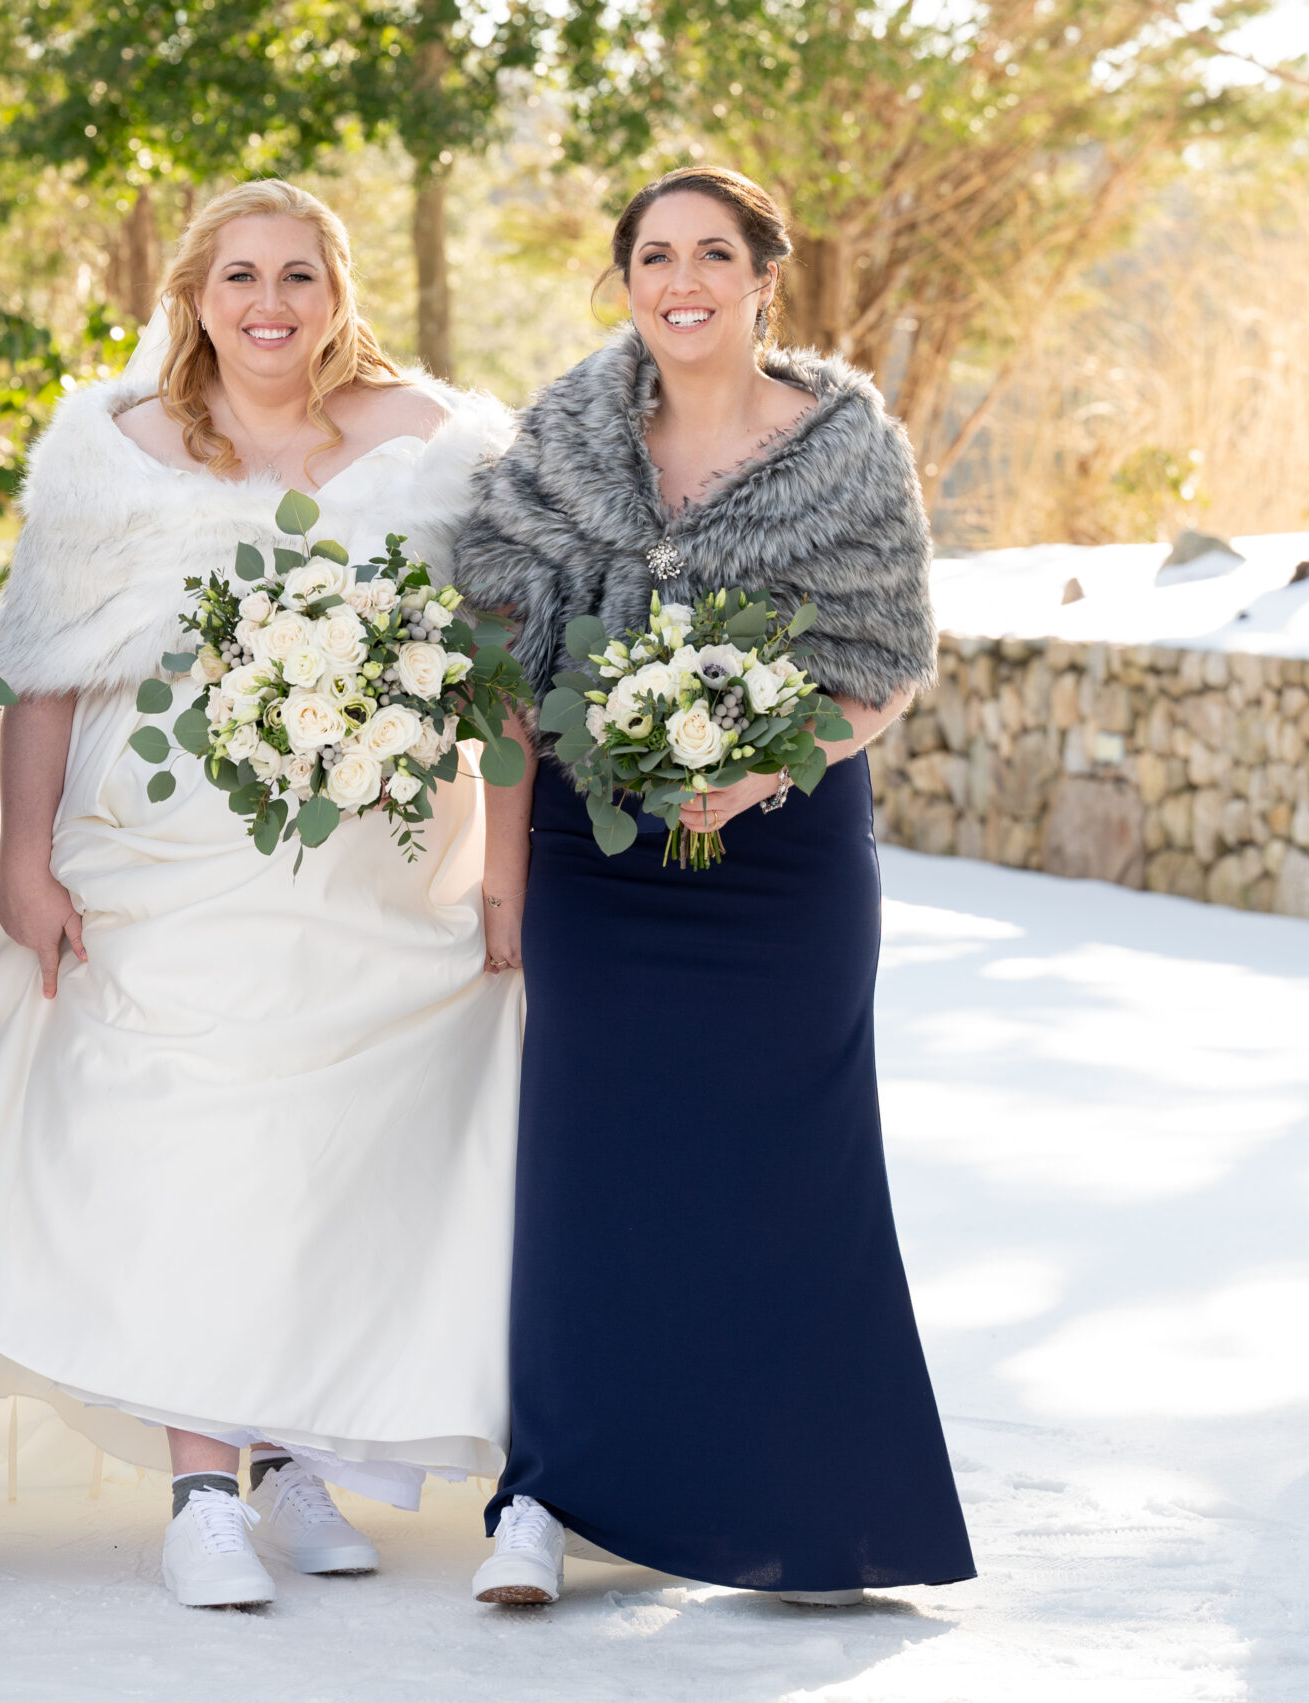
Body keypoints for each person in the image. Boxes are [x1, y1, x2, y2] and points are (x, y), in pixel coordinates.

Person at [0, 179, 524, 1609]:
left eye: (299, 276)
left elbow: (499, 687)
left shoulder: (431, 449)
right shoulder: (114, 451)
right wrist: (29, 857)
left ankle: (295, 1454)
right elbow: (45, 668)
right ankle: (199, 1491)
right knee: (202, 1143)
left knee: (328, 1152)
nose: (270, 306)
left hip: (374, 851)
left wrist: (505, 879)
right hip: (161, 842)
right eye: (240, 276)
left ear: (338, 291)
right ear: (194, 294)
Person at [452, 165, 977, 1607]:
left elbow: (890, 660)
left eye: (712, 254)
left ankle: (809, 1511)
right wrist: (504, 876)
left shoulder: (851, 450)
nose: (682, 279)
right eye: (653, 256)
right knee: (584, 1178)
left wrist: (761, 769)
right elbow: (497, 670)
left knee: (790, 1176)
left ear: (764, 277)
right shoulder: (555, 446)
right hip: (593, 863)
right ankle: (543, 1501)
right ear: (625, 283)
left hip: (789, 859)